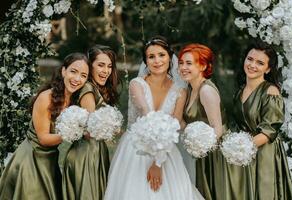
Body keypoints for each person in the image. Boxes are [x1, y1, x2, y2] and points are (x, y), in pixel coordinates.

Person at [104, 36, 203, 200]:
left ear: (170, 58)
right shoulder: (137, 84)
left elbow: (177, 122)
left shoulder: (180, 90)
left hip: (166, 149)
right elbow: (146, 112)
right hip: (136, 149)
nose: (157, 61)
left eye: (161, 55)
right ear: (146, 61)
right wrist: (155, 162)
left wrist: (158, 162)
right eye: (151, 57)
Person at [0, 53, 89, 200]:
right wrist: (71, 132)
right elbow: (43, 138)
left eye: (83, 75)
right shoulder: (46, 97)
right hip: (31, 161)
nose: (77, 79)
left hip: (50, 161)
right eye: (73, 71)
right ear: (63, 71)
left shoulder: (76, 101)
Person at [230, 41, 292, 200]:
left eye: (260, 63)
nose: (252, 65)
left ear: (268, 68)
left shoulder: (271, 92)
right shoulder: (240, 91)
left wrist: (240, 148)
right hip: (245, 152)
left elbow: (268, 131)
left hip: (264, 152)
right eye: (250, 59)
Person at [62, 45, 120, 200]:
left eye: (109, 66)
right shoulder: (88, 88)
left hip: (95, 150)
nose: (106, 71)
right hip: (87, 154)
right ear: (90, 66)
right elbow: (89, 130)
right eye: (100, 65)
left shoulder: (97, 88)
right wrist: (109, 128)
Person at [178, 43, 228, 200]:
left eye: (189, 63)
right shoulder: (190, 88)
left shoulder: (206, 91)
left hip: (213, 154)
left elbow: (217, 129)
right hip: (198, 151)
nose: (183, 67)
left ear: (203, 65)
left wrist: (200, 145)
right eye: (181, 63)